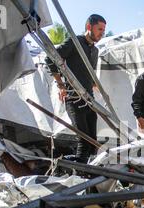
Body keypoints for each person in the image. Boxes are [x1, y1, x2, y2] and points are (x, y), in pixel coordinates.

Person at [46, 14, 106, 164]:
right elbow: (50, 59)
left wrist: (98, 88)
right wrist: (61, 85)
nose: (102, 33)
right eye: (99, 29)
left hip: (89, 99)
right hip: (74, 97)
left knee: (93, 141)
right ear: (89, 27)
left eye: (104, 30)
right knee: (83, 139)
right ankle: (78, 172)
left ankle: (89, 172)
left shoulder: (95, 51)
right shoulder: (75, 42)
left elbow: (88, 73)